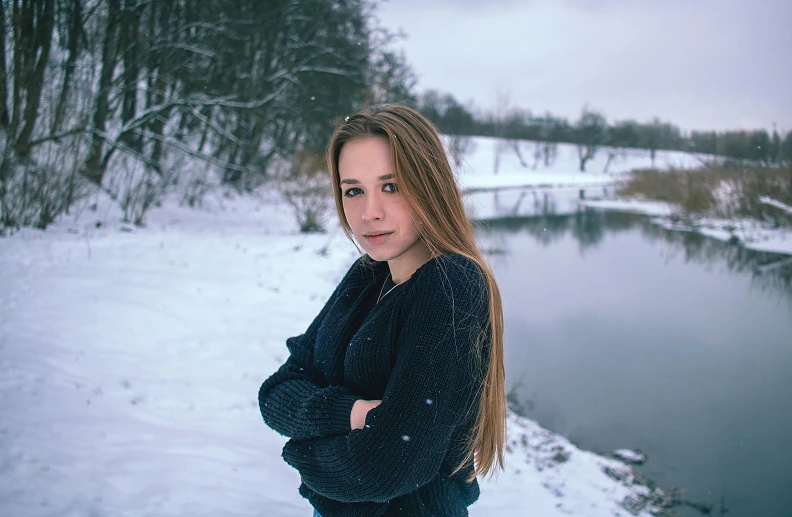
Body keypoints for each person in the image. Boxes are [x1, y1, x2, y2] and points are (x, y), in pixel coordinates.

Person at [258, 104, 506, 517]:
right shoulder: (368, 275)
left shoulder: (450, 287)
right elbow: (279, 388)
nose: (368, 212)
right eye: (353, 190)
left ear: (430, 186)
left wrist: (300, 449)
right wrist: (352, 413)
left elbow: (383, 469)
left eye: (391, 186)